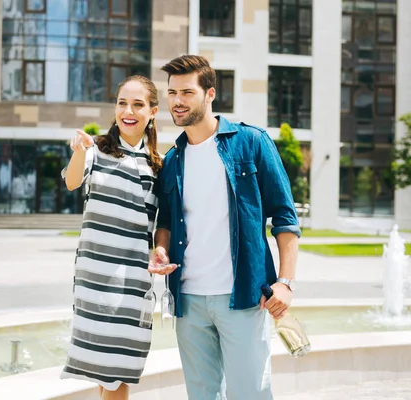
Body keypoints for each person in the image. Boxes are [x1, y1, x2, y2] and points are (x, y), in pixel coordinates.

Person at [149, 54, 301, 399]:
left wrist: (286, 283)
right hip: (187, 299)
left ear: (210, 94)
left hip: (242, 298)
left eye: (187, 92)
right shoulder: (172, 160)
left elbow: (284, 216)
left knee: (250, 393)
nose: (177, 101)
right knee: (202, 395)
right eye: (172, 93)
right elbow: (167, 222)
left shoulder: (251, 142)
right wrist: (160, 247)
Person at [60, 75, 163, 400]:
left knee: (118, 375)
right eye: (122, 103)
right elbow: (73, 182)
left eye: (137, 104)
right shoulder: (97, 149)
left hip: (133, 285)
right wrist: (79, 150)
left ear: (153, 111)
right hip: (96, 282)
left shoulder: (158, 165)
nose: (128, 111)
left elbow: (161, 223)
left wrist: (159, 250)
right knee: (109, 376)